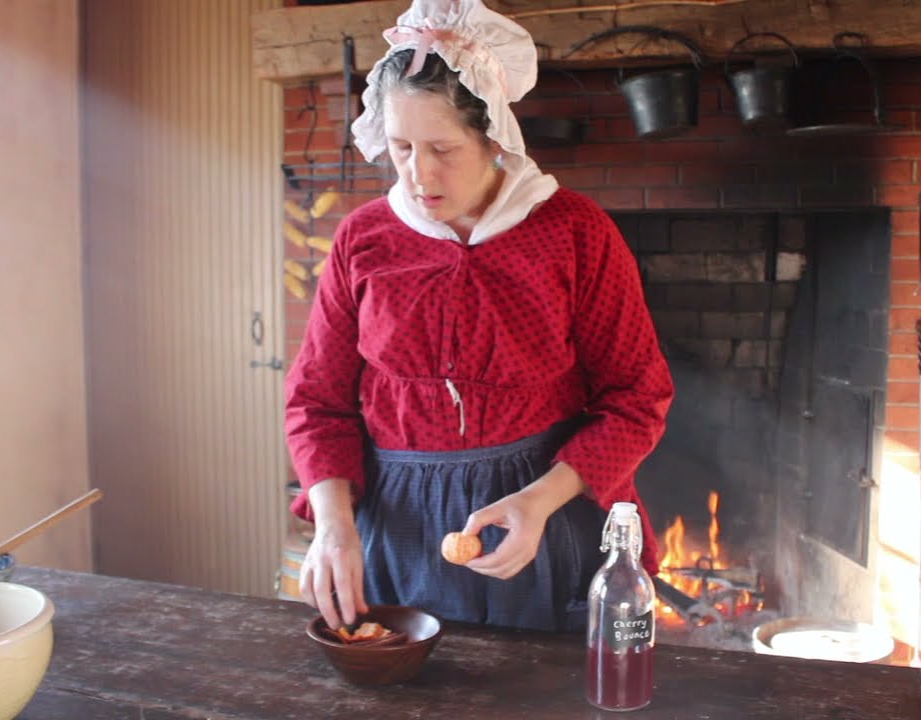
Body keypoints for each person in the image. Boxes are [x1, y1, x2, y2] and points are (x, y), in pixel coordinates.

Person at [284, 0, 673, 634]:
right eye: (401, 147)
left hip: (545, 518)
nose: (419, 174)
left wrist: (540, 501)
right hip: (397, 528)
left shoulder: (574, 232)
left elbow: (638, 398)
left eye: (443, 148)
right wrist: (333, 523)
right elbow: (316, 401)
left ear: (493, 138)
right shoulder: (364, 238)